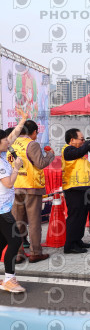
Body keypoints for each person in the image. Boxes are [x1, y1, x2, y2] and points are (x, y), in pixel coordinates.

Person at [11, 113, 54, 264]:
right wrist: (50, 155)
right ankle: (36, 252)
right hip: (31, 186)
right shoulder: (32, 144)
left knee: (17, 221)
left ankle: (18, 253)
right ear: (34, 132)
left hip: (15, 186)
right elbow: (40, 164)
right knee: (34, 221)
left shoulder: (11, 143)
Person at [0, 125, 27, 292]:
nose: (8, 142)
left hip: (4, 207)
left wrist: (22, 120)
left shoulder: (2, 154)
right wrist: (16, 167)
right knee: (15, 240)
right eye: (4, 140)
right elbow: (8, 183)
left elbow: (13, 136)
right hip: (2, 211)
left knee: (2, 241)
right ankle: (9, 279)